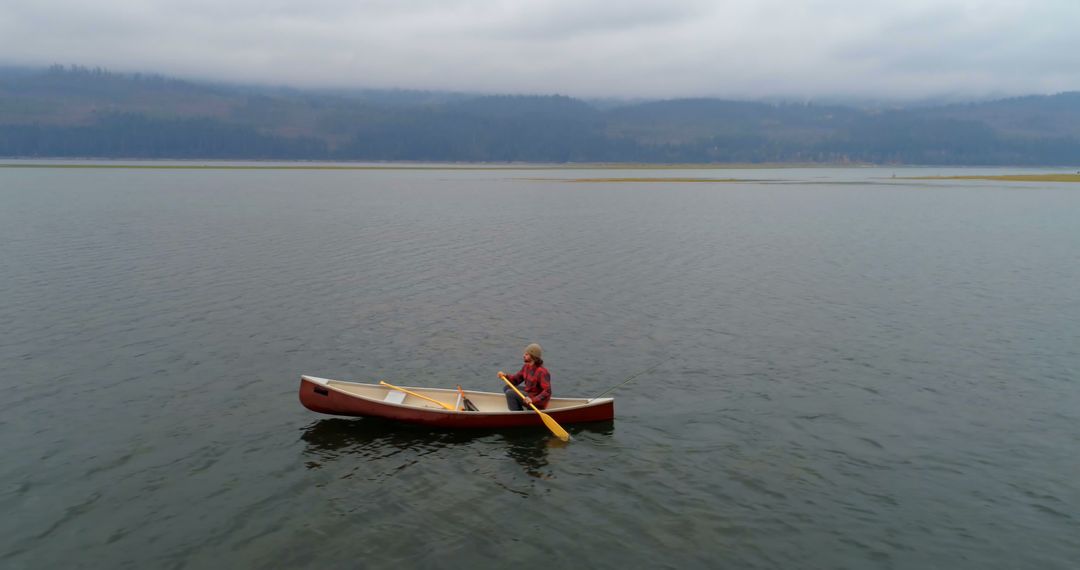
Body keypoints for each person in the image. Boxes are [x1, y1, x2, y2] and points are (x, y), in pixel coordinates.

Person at [498, 343, 551, 411]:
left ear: (533, 356)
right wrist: (505, 376)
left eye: (526, 354)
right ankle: (518, 409)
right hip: (529, 394)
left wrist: (532, 400)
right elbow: (516, 380)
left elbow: (547, 391)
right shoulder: (526, 367)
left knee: (510, 393)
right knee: (507, 388)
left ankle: (518, 416)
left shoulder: (542, 372)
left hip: (536, 402)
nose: (523, 356)